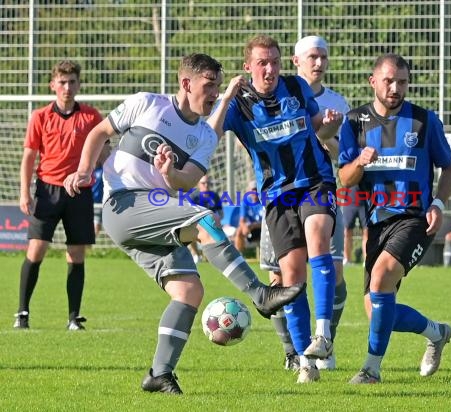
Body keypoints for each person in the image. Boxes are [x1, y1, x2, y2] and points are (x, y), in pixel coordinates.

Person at [64, 53, 305, 394]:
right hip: (124, 204)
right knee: (205, 220)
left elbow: (187, 181)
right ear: (185, 84)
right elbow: (99, 133)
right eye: (209, 86)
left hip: (157, 213)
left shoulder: (205, 136)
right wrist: (85, 171)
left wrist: (169, 173)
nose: (214, 93)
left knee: (189, 292)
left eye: (218, 87)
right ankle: (261, 294)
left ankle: (159, 374)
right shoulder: (146, 104)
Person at [207, 35, 344, 383]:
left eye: (275, 61)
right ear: (248, 67)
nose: (270, 69)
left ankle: (324, 334)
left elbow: (314, 129)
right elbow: (210, 134)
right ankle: (304, 362)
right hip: (277, 195)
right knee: (292, 278)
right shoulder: (238, 106)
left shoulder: (297, 87)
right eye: (262, 63)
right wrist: (225, 97)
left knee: (318, 240)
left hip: (315, 181)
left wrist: (330, 124)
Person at [338, 53, 451, 384]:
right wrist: (360, 162)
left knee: (381, 280)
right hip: (375, 223)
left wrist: (436, 202)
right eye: (389, 81)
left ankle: (371, 369)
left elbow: (449, 168)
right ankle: (437, 333)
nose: (395, 87)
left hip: (415, 218)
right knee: (378, 311)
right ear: (373, 82)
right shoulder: (354, 122)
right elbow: (345, 179)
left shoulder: (423, 120)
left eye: (402, 82)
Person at [256, 35, 350, 372]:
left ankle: (325, 341)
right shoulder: (269, 96)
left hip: (319, 187)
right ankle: (293, 352)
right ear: (296, 62)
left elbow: (343, 155)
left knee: (332, 268)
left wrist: (329, 134)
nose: (319, 63)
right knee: (279, 275)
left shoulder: (336, 102)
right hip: (279, 193)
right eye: (312, 56)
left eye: (323, 56)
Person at [13, 60, 103, 331]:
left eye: (72, 81)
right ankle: (22, 313)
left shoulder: (90, 117)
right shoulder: (40, 116)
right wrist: (24, 192)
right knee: (36, 248)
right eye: (62, 82)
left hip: (79, 191)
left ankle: (74, 317)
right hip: (47, 190)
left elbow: (104, 149)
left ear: (79, 84)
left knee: (76, 252)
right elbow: (29, 156)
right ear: (53, 85)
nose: (67, 87)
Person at [188, 174, 223, 262]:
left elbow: (221, 213)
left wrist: (216, 220)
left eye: (208, 183)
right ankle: (196, 255)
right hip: (197, 224)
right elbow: (189, 214)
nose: (206, 185)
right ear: (199, 184)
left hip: (212, 224)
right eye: (203, 183)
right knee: (188, 233)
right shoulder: (193, 196)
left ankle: (214, 256)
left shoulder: (214, 196)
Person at [342, 185, 369, 265]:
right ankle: (347, 259)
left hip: (364, 203)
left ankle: (366, 259)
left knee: (366, 232)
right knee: (347, 232)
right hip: (349, 202)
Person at [234, 180, 263, 252]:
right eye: (253, 190)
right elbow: (241, 220)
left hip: (262, 227)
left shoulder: (264, 201)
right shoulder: (245, 202)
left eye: (256, 189)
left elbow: (268, 222)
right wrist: (244, 226)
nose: (255, 192)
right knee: (239, 231)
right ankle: (239, 255)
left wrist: (253, 225)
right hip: (250, 228)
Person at [92, 140, 112, 237]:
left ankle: (90, 245)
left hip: (100, 202)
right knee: (94, 225)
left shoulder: (103, 172)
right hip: (91, 201)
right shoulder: (91, 173)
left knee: (97, 225)